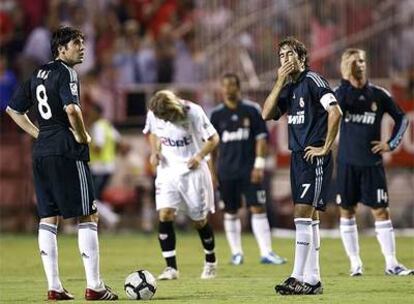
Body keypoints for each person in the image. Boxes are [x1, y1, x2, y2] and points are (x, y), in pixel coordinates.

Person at [6, 26, 118, 301]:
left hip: (41, 152)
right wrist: (81, 135)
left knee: (48, 217)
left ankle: (54, 286)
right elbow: (72, 109)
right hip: (67, 150)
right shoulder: (67, 73)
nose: (82, 48)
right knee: (88, 214)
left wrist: (39, 133)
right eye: (76, 43)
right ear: (61, 48)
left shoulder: (37, 73)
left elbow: (13, 110)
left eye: (82, 42)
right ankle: (95, 286)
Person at [262, 37, 342, 295]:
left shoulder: (313, 81)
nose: (285, 59)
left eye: (290, 54)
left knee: (301, 215)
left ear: (302, 57)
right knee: (311, 218)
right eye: (281, 55)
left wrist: (326, 147)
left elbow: (336, 112)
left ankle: (297, 276)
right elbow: (266, 114)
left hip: (313, 158)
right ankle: (313, 279)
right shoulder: (288, 87)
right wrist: (278, 82)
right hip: (297, 158)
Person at [336, 48, 412, 277]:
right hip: (347, 162)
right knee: (347, 211)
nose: (359, 64)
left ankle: (391, 263)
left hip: (372, 164)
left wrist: (391, 143)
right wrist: (345, 79)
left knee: (381, 211)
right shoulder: (341, 94)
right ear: (345, 66)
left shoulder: (378, 95)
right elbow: (334, 110)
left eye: (361, 60)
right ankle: (355, 263)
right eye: (353, 61)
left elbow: (402, 119)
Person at [210, 73, 287, 266]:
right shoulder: (216, 115)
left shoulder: (252, 110)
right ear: (221, 89)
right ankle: (237, 253)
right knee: (230, 211)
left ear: (239, 87)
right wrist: (212, 173)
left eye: (232, 85)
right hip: (226, 171)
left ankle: (266, 252)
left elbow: (261, 139)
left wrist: (259, 165)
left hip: (249, 170)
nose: (228, 89)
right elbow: (211, 147)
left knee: (258, 208)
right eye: (225, 86)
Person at [143, 89, 219, 280]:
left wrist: (199, 156)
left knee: (199, 220)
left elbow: (213, 138)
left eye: (166, 116)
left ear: (172, 109)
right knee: (165, 213)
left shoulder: (193, 112)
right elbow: (153, 133)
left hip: (192, 170)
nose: (165, 120)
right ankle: (171, 268)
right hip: (167, 170)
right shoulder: (154, 112)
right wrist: (154, 152)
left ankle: (210, 261)